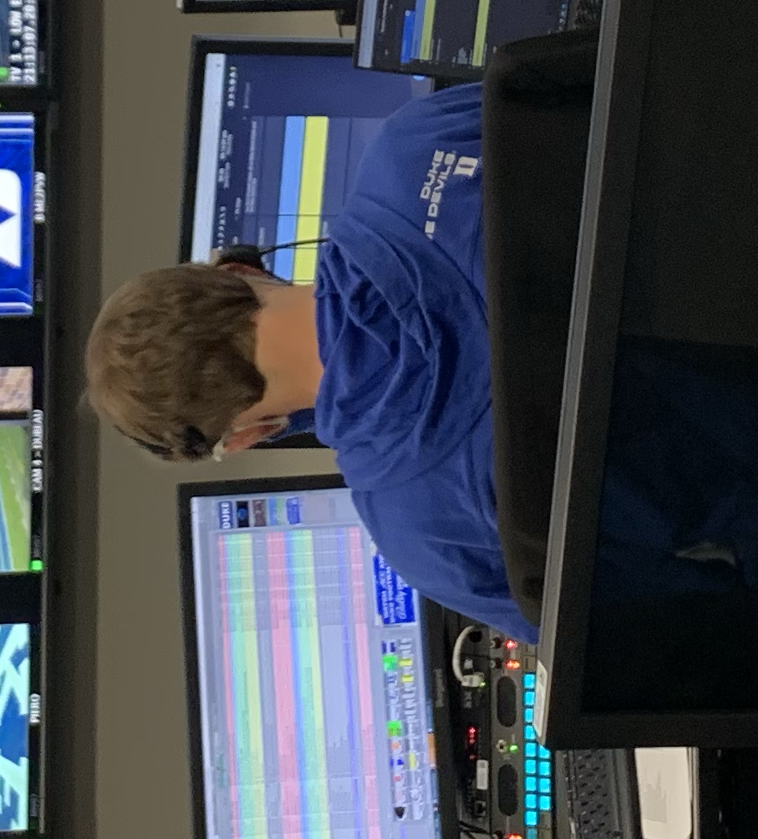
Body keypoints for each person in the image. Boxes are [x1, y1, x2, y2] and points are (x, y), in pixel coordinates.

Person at [86, 81, 523, 635]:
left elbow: (610, 652)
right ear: (239, 269)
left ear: (245, 437)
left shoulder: (425, 541)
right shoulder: (415, 144)